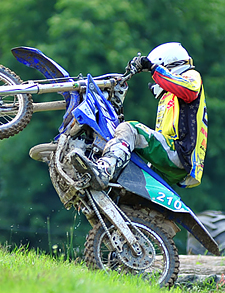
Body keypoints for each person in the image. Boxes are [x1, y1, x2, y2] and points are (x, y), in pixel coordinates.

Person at [70, 42, 208, 190]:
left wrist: (153, 67)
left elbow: (189, 90)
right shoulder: (168, 98)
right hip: (172, 156)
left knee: (131, 129)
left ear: (168, 65)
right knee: (127, 172)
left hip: (180, 152)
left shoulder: (191, 76)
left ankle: (104, 171)